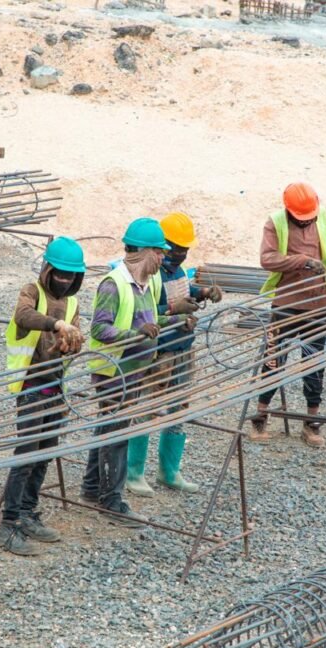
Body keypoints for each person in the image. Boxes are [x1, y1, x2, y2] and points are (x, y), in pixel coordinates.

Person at [82, 218, 195, 526]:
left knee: (108, 427)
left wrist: (175, 320)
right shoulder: (113, 283)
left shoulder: (150, 280)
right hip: (112, 370)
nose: (164, 257)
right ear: (144, 251)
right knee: (117, 433)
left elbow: (151, 316)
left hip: (134, 369)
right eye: (159, 252)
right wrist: (135, 333)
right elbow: (99, 329)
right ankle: (112, 500)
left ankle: (92, 487)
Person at [0, 236, 86, 556]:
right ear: (47, 269)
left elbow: (74, 337)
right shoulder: (32, 291)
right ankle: (8, 523)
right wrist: (55, 323)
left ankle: (29, 512)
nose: (64, 280)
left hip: (55, 388)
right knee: (26, 455)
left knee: (45, 452)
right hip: (30, 387)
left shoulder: (73, 303)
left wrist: (71, 344)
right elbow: (22, 316)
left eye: (71, 276)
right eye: (60, 274)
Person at [124, 212, 222, 497]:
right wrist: (173, 310)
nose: (179, 254)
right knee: (146, 409)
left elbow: (182, 289)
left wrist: (201, 292)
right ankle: (134, 472)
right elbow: (145, 311)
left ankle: (169, 471)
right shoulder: (150, 274)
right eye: (174, 248)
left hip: (182, 349)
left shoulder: (177, 271)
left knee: (178, 408)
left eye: (184, 249)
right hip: (160, 352)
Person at [250, 182, 326, 447]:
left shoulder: (325, 215)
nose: (307, 222)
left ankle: (311, 422)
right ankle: (260, 416)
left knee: (314, 362)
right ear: (289, 210)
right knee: (274, 359)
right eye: (301, 218)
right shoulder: (275, 222)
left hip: (318, 304)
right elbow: (267, 258)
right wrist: (302, 261)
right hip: (286, 303)